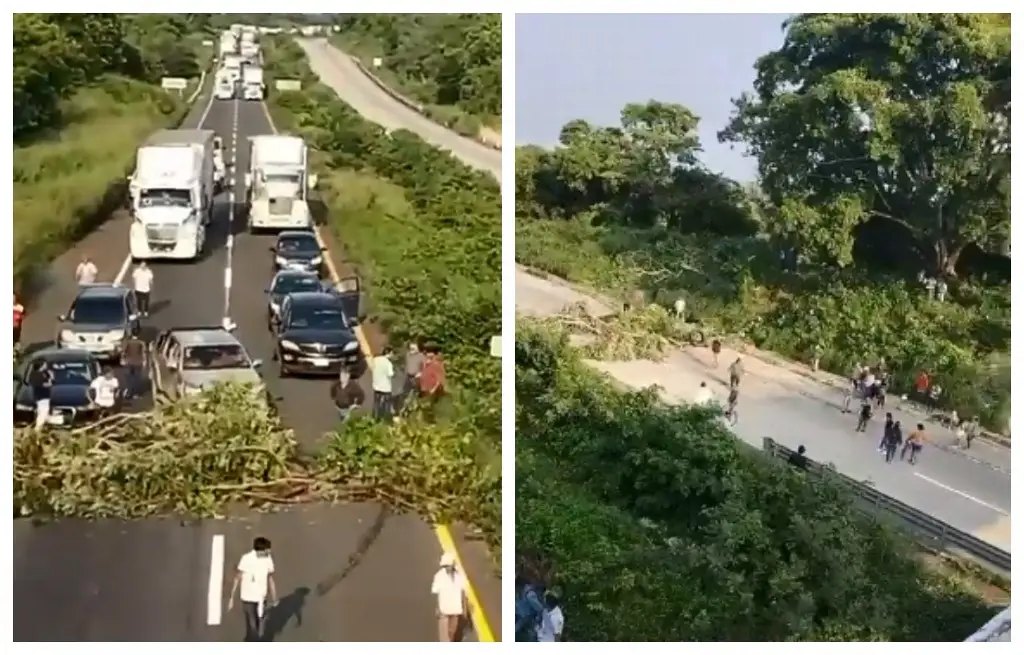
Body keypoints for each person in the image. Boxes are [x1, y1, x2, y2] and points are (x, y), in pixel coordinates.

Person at [228, 536, 278, 642]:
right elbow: (238, 577)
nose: (269, 551)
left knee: (261, 624)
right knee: (252, 625)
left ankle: (252, 639)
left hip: (261, 597)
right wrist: (232, 598)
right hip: (247, 598)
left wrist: (274, 597)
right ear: (260, 551)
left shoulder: (268, 559)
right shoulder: (246, 559)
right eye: (267, 549)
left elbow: (270, 579)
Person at [431, 552, 469, 642]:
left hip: (456, 608)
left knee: (452, 632)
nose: (446, 568)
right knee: (444, 636)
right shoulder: (439, 576)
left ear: (452, 565)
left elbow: (463, 592)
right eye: (445, 566)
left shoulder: (460, 576)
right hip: (443, 609)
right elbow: (437, 592)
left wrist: (465, 608)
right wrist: (437, 607)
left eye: (448, 565)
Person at [514, 576, 546, 642]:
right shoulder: (518, 592)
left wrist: (536, 619)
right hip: (520, 616)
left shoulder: (529, 595)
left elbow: (540, 609)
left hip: (530, 619)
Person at [120, 331, 147, 400]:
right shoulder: (141, 342)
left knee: (129, 378)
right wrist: (144, 361)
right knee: (137, 378)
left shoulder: (128, 342)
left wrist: (122, 359)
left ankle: (129, 392)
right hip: (138, 362)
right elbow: (144, 353)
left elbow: (123, 352)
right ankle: (136, 394)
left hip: (129, 362)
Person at [370, 346, 394, 421]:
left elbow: (372, 368)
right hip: (385, 388)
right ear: (389, 353)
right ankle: (386, 419)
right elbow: (390, 374)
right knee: (387, 404)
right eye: (391, 353)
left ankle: (374, 418)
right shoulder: (388, 363)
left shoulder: (375, 360)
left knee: (376, 403)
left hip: (376, 386)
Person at [29, 360, 54, 429]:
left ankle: (43, 427)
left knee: (44, 412)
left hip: (44, 396)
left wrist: (51, 376)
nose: (46, 366)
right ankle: (37, 429)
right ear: (41, 365)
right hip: (41, 397)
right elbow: (44, 385)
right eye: (44, 364)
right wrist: (50, 381)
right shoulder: (36, 375)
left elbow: (51, 380)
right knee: (43, 413)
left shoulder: (43, 373)